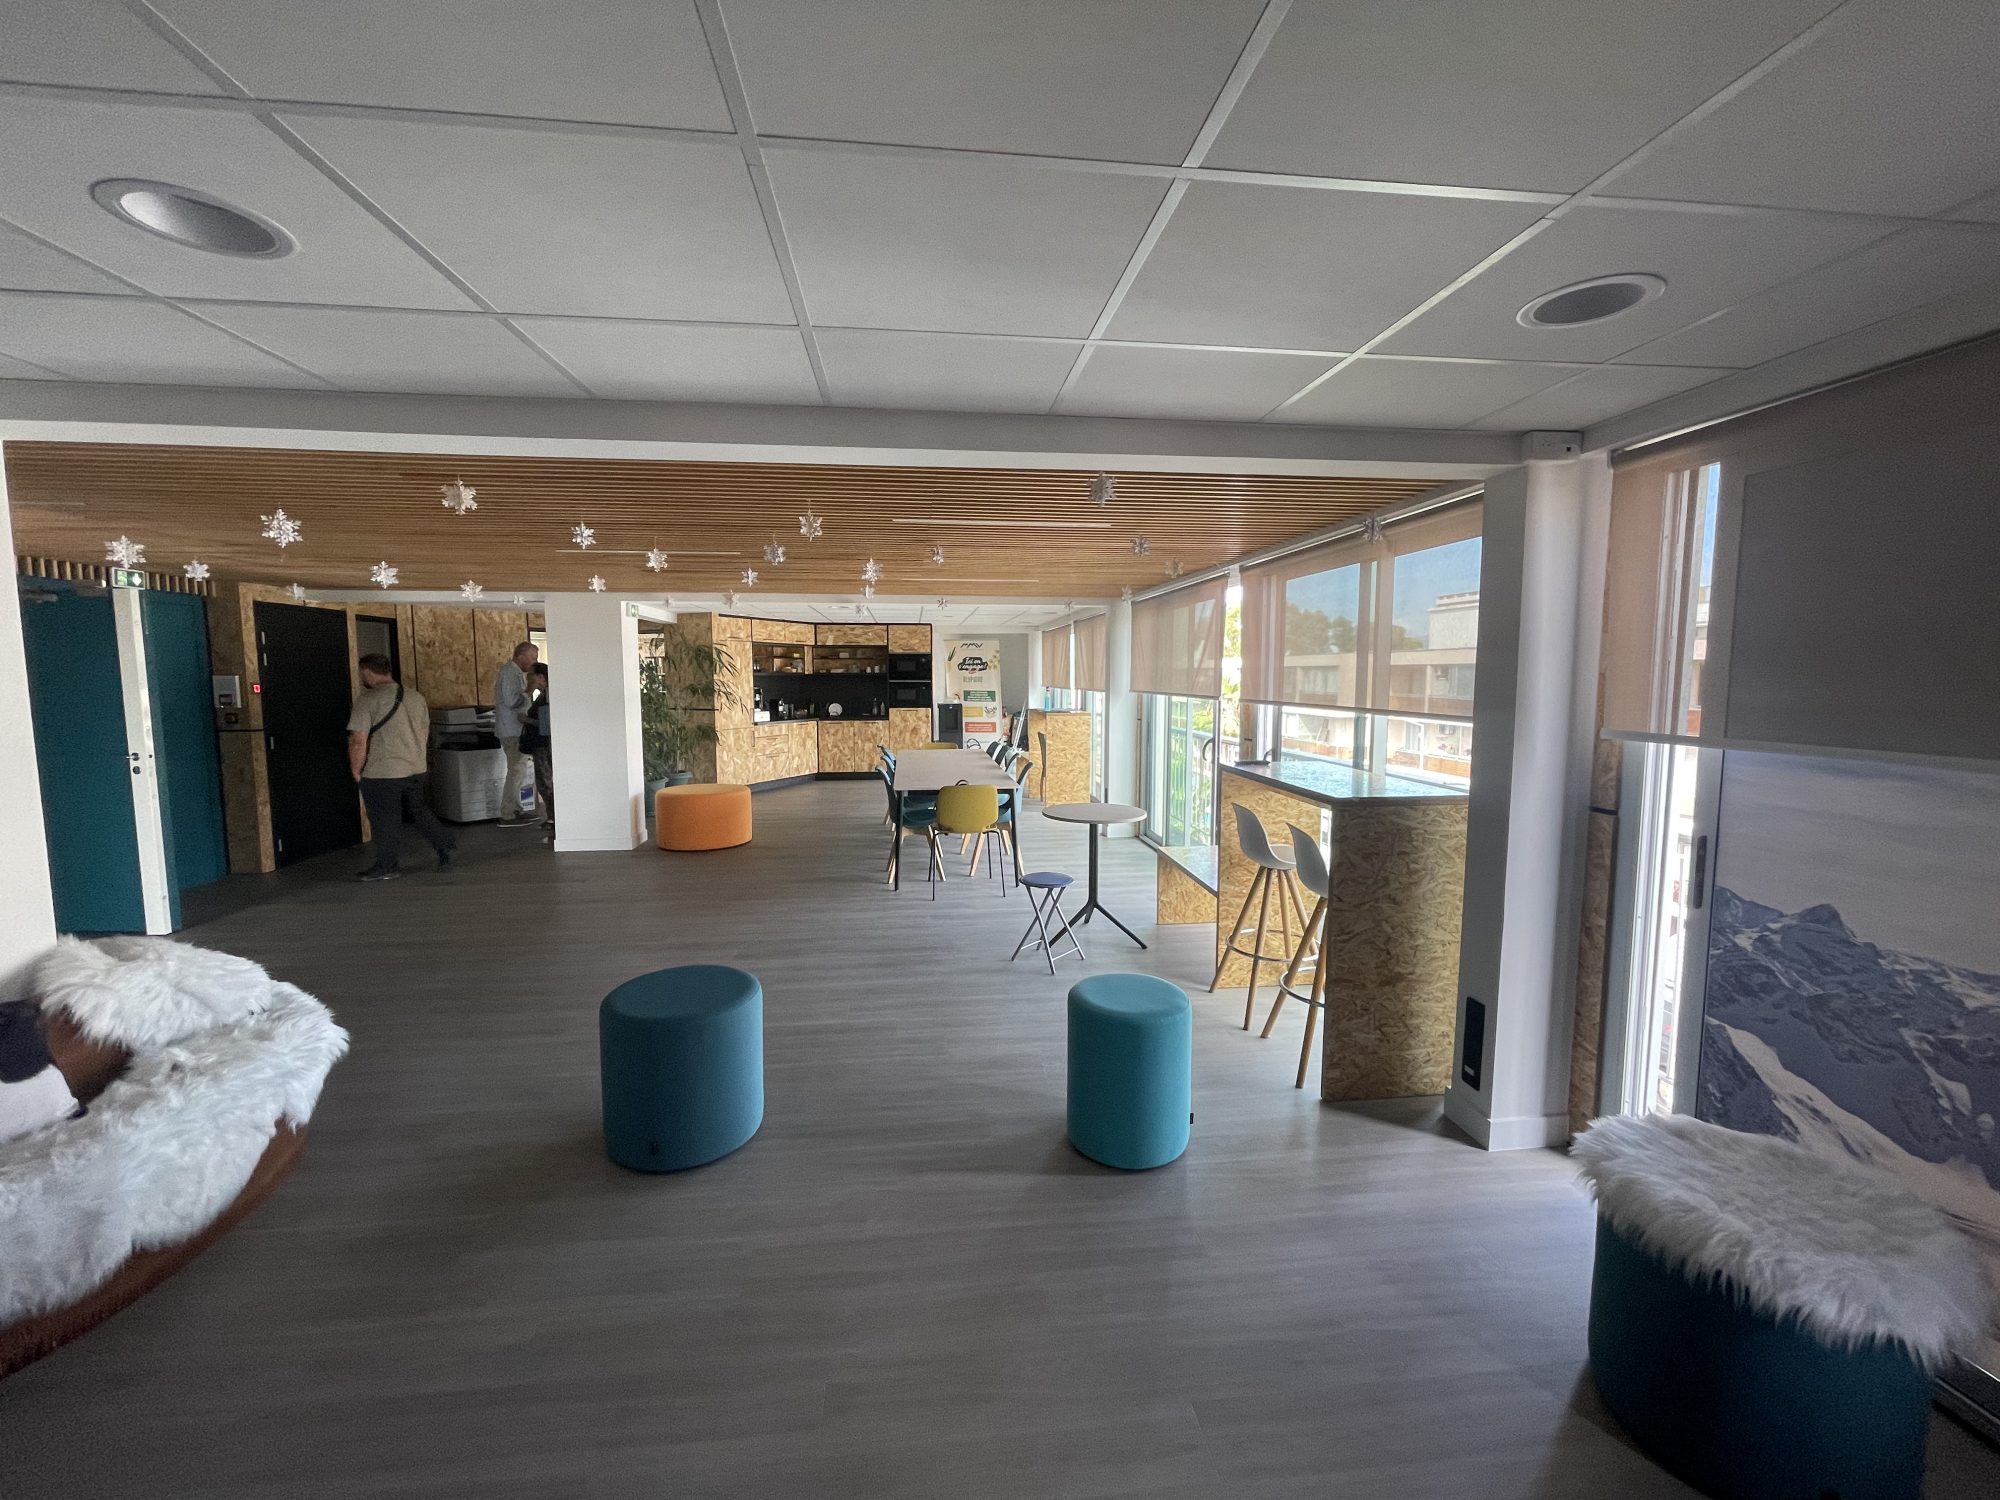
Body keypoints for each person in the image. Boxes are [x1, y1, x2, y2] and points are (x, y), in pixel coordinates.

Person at [347, 653, 455, 881]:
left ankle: (387, 866)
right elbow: (425, 732)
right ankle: (446, 847)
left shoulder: (367, 700)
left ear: (367, 672)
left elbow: (358, 740)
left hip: (383, 771)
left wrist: (356, 770)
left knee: (385, 820)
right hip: (416, 767)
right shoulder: (416, 697)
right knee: (419, 812)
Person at [492, 640, 538, 826]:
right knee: (516, 770)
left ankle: (515, 808)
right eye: (532, 658)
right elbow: (512, 702)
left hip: (515, 729)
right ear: (521, 656)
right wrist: (530, 689)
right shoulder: (510, 673)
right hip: (512, 730)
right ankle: (508, 813)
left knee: (518, 771)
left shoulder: (515, 673)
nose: (534, 662)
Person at [521, 663, 553, 837]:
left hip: (544, 744)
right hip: (539, 743)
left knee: (546, 782)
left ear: (540, 676)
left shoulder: (549, 695)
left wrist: (527, 720)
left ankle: (553, 818)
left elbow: (548, 723)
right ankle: (551, 817)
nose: (528, 678)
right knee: (543, 782)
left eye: (531, 675)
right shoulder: (542, 694)